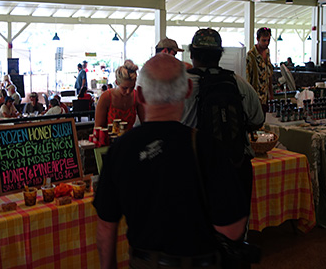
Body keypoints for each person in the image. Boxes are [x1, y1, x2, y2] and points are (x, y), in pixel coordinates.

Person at [94, 54, 250, 269]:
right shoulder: (208, 147)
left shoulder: (120, 149)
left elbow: (105, 227)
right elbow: (232, 229)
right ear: (187, 89)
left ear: (139, 95)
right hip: (200, 262)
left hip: (144, 263)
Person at [181, 28, 264, 243]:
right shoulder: (238, 83)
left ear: (192, 54)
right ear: (220, 55)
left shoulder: (180, 86)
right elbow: (257, 119)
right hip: (236, 164)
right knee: (236, 228)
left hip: (196, 167)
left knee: (197, 231)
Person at [95, 59, 144, 132]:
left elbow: (145, 123)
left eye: (132, 87)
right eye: (124, 88)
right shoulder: (106, 97)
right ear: (117, 82)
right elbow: (98, 128)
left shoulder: (136, 96)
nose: (128, 92)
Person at [246, 27, 274, 112]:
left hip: (265, 98)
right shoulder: (251, 56)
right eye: (264, 40)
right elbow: (247, 79)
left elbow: (268, 75)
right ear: (257, 39)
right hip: (255, 98)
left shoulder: (267, 52)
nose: (267, 43)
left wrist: (271, 94)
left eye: (268, 40)